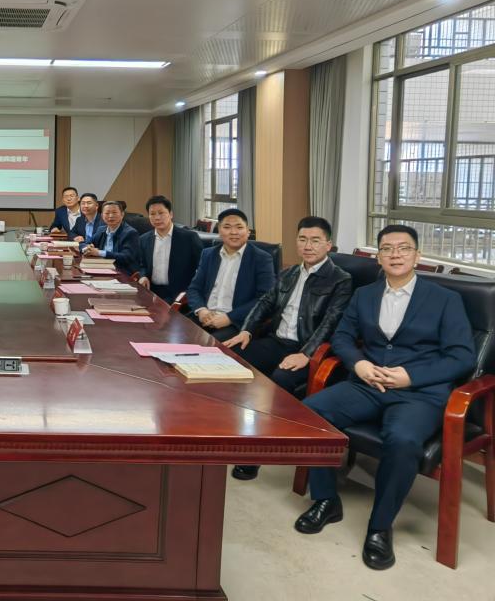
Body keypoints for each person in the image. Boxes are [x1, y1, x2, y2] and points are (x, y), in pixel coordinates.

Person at [295, 225, 474, 571]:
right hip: (368, 384)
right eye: (387, 249)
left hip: (418, 393)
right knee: (310, 413)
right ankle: (326, 500)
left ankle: (380, 526)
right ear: (378, 257)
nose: (395, 254)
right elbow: (342, 337)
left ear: (417, 256)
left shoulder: (445, 299)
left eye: (404, 248)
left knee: (403, 439)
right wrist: (359, 364)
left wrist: (410, 377)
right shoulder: (365, 295)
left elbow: (462, 357)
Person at [222, 216, 352, 480]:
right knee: (231, 359)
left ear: (328, 245)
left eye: (315, 240)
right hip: (276, 341)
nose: (308, 246)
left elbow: (330, 323)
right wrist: (246, 330)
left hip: (305, 349)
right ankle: (231, 430)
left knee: (279, 380)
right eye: (303, 239)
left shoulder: (340, 280)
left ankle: (256, 452)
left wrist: (306, 354)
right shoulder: (289, 273)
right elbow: (265, 303)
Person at [186, 208, 275, 341]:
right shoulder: (208, 254)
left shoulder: (261, 258)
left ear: (248, 231)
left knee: (209, 346)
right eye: (227, 227)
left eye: (239, 227)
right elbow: (194, 288)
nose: (233, 232)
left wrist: (230, 317)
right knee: (174, 335)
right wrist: (201, 310)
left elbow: (265, 298)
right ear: (219, 231)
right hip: (205, 316)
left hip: (236, 322)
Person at [136, 195, 204, 303]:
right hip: (151, 293)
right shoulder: (143, 239)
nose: (157, 218)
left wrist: (192, 292)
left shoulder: (189, 238)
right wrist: (143, 276)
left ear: (171, 214)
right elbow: (142, 264)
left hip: (181, 297)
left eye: (161, 213)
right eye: (152, 214)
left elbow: (202, 268)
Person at [81, 200, 140, 274]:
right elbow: (84, 243)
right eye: (107, 213)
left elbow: (127, 257)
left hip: (121, 272)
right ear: (102, 216)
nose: (110, 216)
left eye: (114, 212)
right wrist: (87, 248)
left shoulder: (130, 233)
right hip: (102, 268)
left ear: (122, 214)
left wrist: (99, 253)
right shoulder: (101, 230)